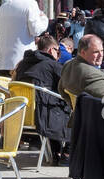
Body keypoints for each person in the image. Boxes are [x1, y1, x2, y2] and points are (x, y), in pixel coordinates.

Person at [12, 32, 71, 163]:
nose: (58, 56)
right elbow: (70, 84)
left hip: (22, 114)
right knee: (76, 108)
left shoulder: (22, 64)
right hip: (44, 113)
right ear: (51, 50)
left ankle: (55, 152)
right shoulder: (52, 65)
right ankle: (67, 153)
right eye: (58, 52)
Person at [0, 0, 49, 76]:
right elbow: (35, 30)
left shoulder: (3, 7)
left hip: (3, 63)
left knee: (4, 90)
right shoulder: (30, 4)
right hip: (22, 62)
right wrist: (44, 19)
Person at [59, 34, 104, 104]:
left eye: (102, 51)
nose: (101, 55)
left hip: (78, 112)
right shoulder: (93, 75)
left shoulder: (68, 64)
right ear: (83, 52)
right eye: (96, 52)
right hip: (94, 113)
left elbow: (61, 90)